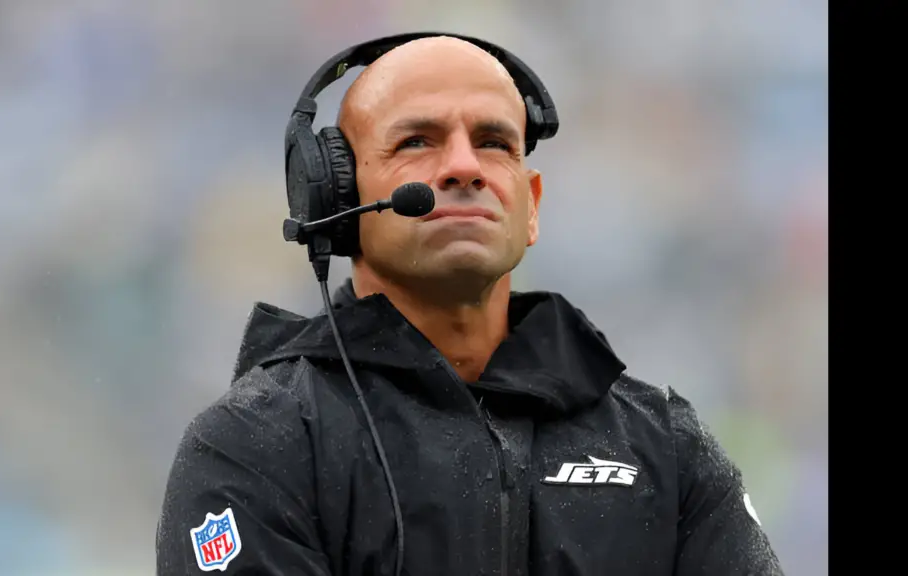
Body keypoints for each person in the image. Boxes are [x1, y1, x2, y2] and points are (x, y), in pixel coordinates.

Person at [156, 33, 784, 576]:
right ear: (336, 199)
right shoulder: (253, 446)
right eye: (416, 142)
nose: (463, 166)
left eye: (493, 142)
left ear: (530, 203)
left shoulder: (665, 446)